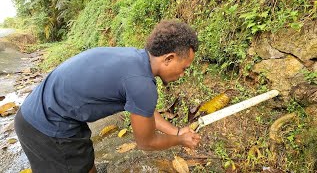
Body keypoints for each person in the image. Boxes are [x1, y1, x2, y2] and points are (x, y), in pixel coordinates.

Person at [14, 20, 201, 173]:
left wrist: (176, 132)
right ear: (168, 58)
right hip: (45, 127)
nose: (183, 74)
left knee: (84, 164)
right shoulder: (142, 84)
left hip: (46, 112)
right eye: (184, 68)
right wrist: (181, 140)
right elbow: (146, 142)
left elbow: (146, 112)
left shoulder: (135, 59)